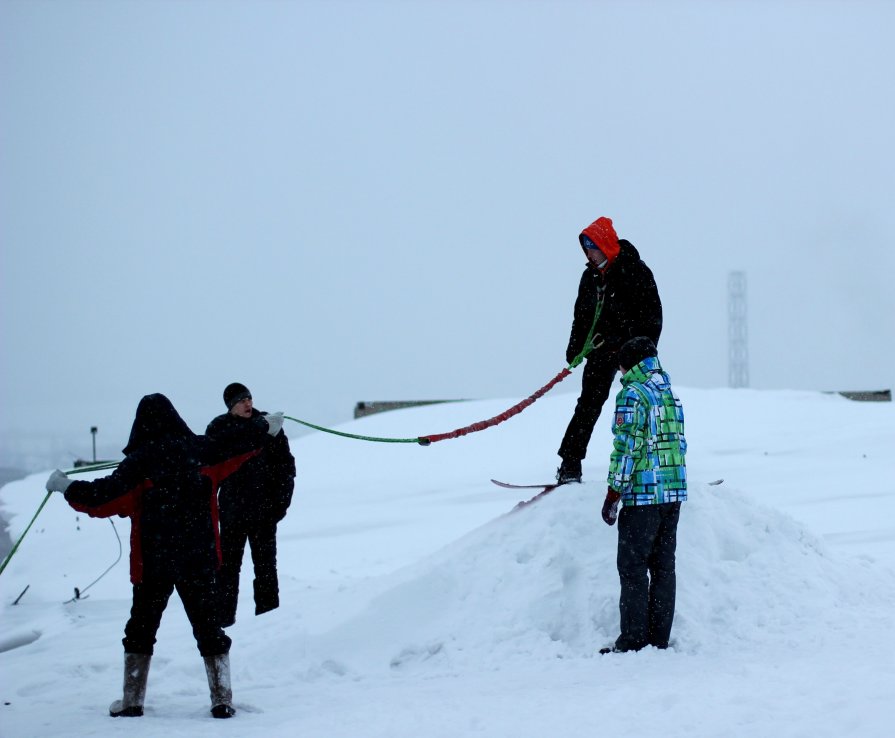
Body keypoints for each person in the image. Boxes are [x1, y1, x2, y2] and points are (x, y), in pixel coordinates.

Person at [44, 393, 284, 719]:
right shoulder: (201, 451)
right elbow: (236, 444)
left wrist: (65, 486)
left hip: (153, 563)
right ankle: (222, 700)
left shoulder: (139, 463)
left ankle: (131, 702)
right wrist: (264, 427)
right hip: (198, 560)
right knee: (209, 629)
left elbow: (102, 498)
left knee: (140, 630)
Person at [556, 216, 663, 484]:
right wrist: (575, 348)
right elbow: (581, 316)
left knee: (645, 404)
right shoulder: (589, 277)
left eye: (592, 247)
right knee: (588, 404)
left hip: (633, 352)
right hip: (601, 350)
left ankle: (655, 460)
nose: (589, 253)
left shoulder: (636, 271)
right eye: (586, 248)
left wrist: (643, 348)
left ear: (605, 245)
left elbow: (652, 314)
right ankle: (570, 464)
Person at [599, 337, 687, 654]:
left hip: (643, 496)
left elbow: (627, 447)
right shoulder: (669, 394)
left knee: (633, 567)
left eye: (621, 366)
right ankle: (659, 638)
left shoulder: (632, 395)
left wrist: (613, 493)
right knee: (664, 567)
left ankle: (634, 639)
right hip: (673, 493)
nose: (620, 372)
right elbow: (680, 444)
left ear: (631, 364)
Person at [205, 382, 296, 627]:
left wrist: (279, 506)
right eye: (240, 401)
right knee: (227, 572)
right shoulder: (219, 428)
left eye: (249, 398)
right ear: (230, 406)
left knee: (266, 570)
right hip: (232, 514)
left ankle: (269, 623)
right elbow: (212, 459)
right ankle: (224, 624)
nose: (247, 403)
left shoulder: (271, 426)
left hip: (264, 513)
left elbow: (286, 468)